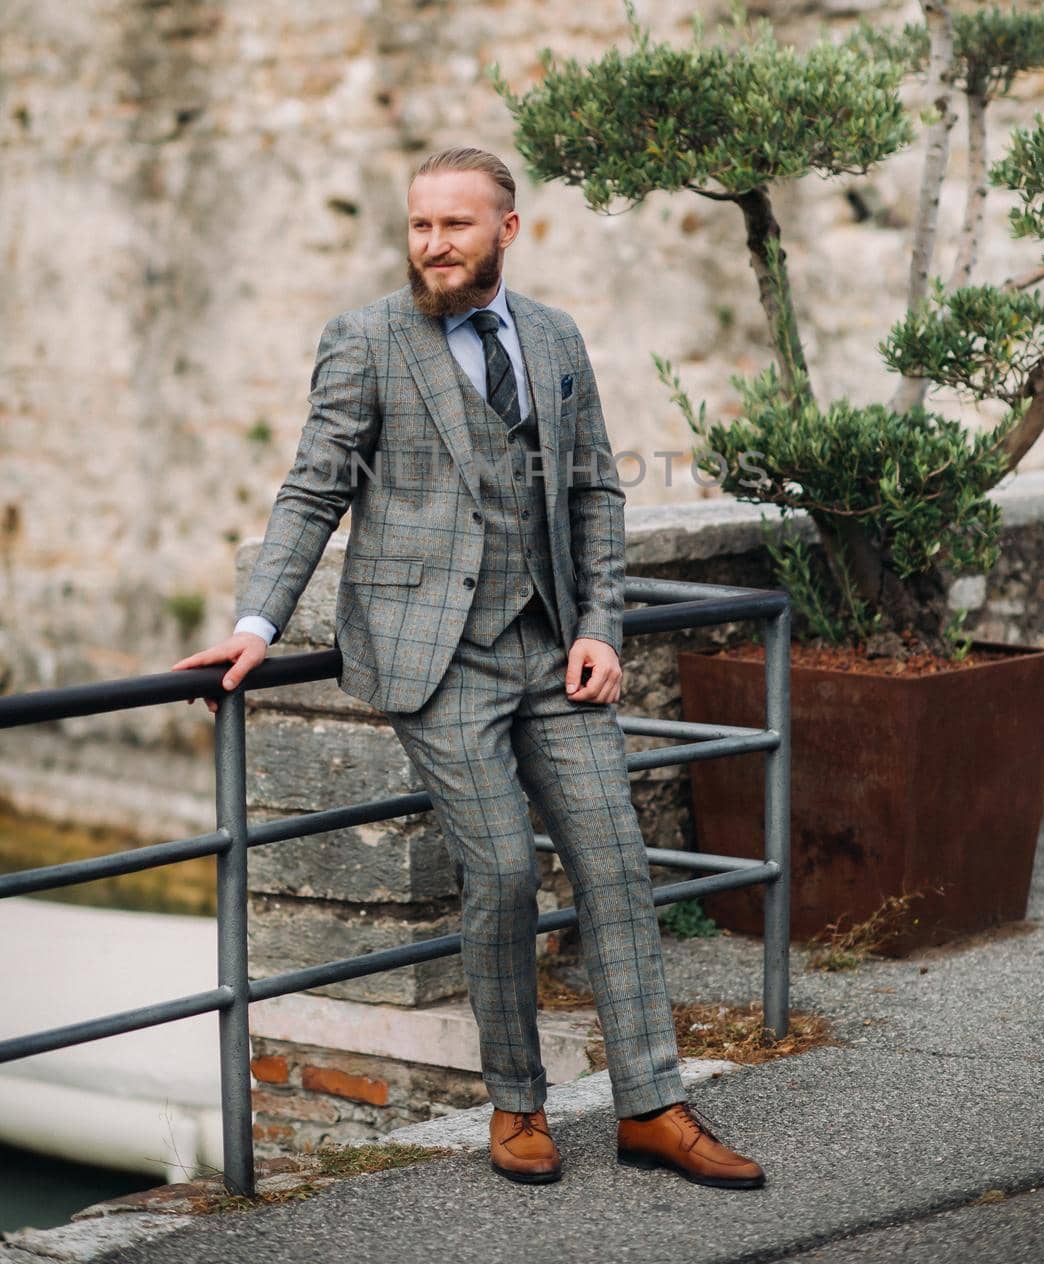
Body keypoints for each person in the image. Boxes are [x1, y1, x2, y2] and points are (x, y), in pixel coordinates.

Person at [172, 146, 765, 1191]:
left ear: (509, 229)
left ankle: (652, 1105)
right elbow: (314, 490)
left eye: (454, 225)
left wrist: (601, 626)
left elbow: (594, 496)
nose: (432, 245)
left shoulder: (554, 337)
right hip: (434, 656)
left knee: (617, 864)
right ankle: (516, 1102)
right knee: (497, 869)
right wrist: (258, 622)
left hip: (552, 648)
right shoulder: (365, 340)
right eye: (418, 226)